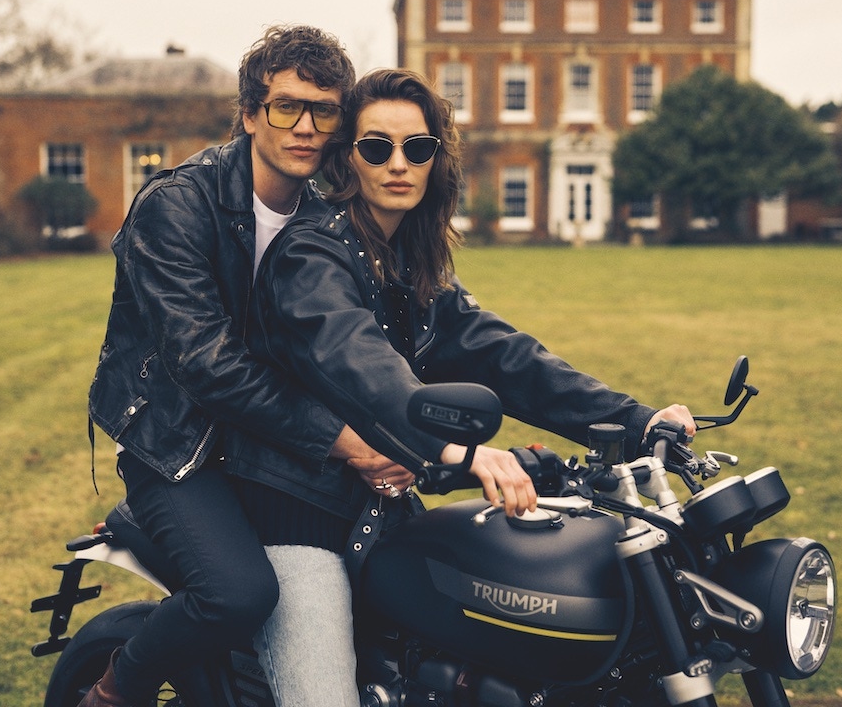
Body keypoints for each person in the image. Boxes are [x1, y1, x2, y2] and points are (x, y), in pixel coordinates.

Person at [234, 68, 697, 703]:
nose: (399, 163)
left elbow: (508, 358)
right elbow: (362, 364)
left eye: (417, 147)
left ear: (435, 160)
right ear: (348, 161)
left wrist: (639, 420)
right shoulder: (311, 256)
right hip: (293, 509)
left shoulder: (408, 262)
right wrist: (461, 451)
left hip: (376, 504)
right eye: (377, 147)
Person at [80, 25, 402, 707]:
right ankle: (117, 687)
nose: (306, 127)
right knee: (238, 593)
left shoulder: (326, 216)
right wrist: (352, 447)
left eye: (324, 110)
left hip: (265, 445)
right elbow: (209, 366)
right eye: (287, 106)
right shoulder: (177, 205)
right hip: (176, 443)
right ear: (251, 113)